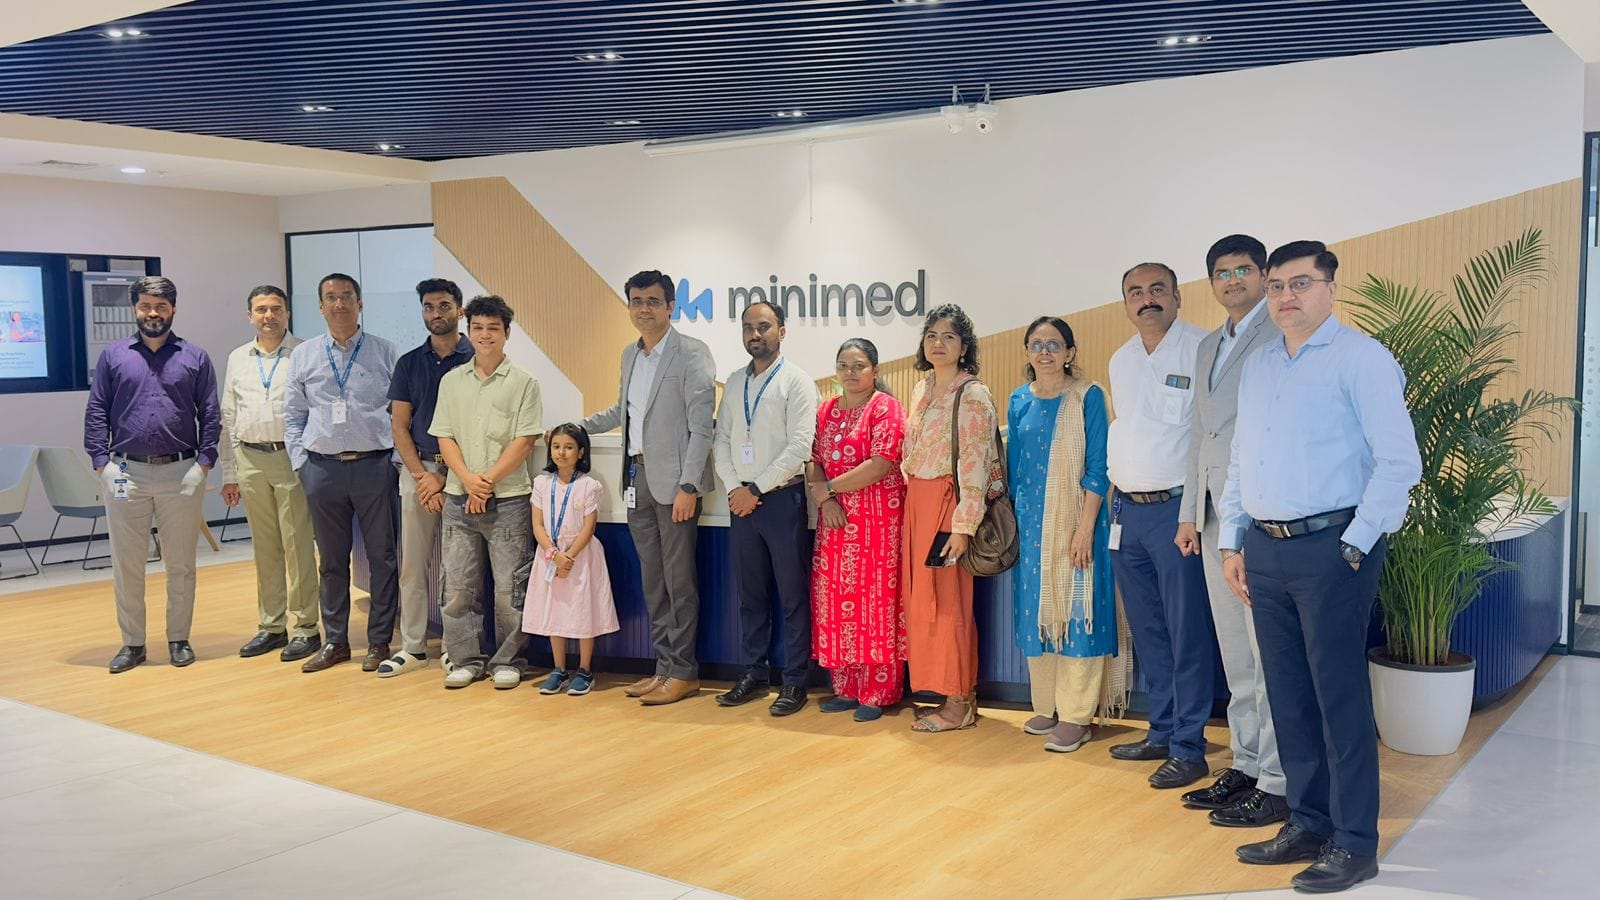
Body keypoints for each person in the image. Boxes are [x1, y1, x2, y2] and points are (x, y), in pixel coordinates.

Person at [1219, 241, 1420, 893]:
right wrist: (1233, 541)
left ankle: (1356, 842)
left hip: (1334, 547)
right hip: (1266, 548)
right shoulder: (1260, 365)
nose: (1287, 296)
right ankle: (1308, 823)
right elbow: (1243, 459)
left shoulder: (1362, 358)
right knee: (1289, 696)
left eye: (1301, 283)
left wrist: (1357, 542)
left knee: (1338, 699)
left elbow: (1399, 462)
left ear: (1331, 287)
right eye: (1277, 285)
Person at [1174, 235, 1289, 827]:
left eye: (1244, 269)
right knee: (1236, 652)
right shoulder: (1207, 346)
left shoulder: (1280, 334)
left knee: (1268, 655)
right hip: (1214, 515)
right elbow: (1201, 432)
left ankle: (1278, 778)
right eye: (1222, 272)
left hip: (1259, 513)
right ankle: (1246, 763)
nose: (1233, 280)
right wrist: (1189, 512)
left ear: (1263, 274)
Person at [577, 270, 716, 707]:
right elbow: (623, 411)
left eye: (653, 301)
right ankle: (664, 668)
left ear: (671, 306)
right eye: (636, 301)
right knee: (654, 581)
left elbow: (701, 427)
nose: (644, 309)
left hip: (676, 486)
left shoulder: (691, 353)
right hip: (635, 478)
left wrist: (689, 484)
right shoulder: (630, 355)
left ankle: (684, 672)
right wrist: (574, 429)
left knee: (679, 581)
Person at [1104, 262, 1216, 789]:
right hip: (1127, 511)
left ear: (1177, 296)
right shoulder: (1121, 359)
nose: (1146, 299)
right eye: (1135, 292)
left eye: (1156, 290)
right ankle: (1163, 731)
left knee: (1185, 630)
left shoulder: (1203, 348)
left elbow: (1207, 436)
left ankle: (1190, 747)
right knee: (1148, 629)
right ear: (1126, 303)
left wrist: (1192, 511)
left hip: (1178, 512)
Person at [84, 275, 220, 673]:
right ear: (135, 309)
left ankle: (179, 639)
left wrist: (204, 463)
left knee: (181, 564)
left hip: (182, 472)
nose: (153, 313)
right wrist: (101, 463)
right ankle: (133, 644)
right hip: (125, 473)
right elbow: (97, 410)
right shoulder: (114, 356)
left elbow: (211, 414)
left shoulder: (195, 357)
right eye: (145, 306)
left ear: (173, 309)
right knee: (128, 564)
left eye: (161, 306)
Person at [283, 272, 402, 674]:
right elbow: (293, 416)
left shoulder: (386, 352)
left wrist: (395, 463)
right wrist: (301, 465)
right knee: (331, 562)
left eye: (347, 296)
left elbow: (401, 413)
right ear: (320, 306)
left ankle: (379, 641)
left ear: (360, 303)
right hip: (322, 469)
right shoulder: (304, 355)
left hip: (375, 467)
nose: (339, 304)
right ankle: (335, 641)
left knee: (383, 558)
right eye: (331, 298)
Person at [1007, 316, 1115, 753]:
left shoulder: (1088, 397)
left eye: (1054, 344)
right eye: (1036, 344)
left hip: (1078, 521)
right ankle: (1047, 705)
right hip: (1032, 525)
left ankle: (1076, 715)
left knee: (1077, 610)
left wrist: (1084, 529)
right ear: (1028, 353)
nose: (1045, 352)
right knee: (1037, 610)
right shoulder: (1019, 400)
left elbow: (1100, 467)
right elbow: (1015, 468)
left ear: (1070, 352)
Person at [429, 294, 542, 689]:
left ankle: (510, 660)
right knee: (458, 588)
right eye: (477, 327)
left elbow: (525, 441)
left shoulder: (525, 383)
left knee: (510, 589)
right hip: (458, 499)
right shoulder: (451, 381)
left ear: (506, 333)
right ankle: (466, 660)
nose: (485, 335)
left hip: (508, 499)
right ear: (469, 331)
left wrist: (486, 481)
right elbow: (445, 437)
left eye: (493, 328)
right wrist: (468, 481)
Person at [713, 301, 819, 716]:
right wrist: (735, 488)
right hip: (741, 503)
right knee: (750, 595)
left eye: (764, 326)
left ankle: (795, 680)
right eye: (748, 328)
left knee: (792, 595)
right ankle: (754, 673)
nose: (755, 334)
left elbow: (800, 446)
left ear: (782, 331)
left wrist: (756, 488)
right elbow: (721, 439)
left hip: (781, 500)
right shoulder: (735, 381)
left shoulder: (797, 381)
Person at [899, 303, 998, 733]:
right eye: (932, 336)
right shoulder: (922, 389)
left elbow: (977, 461)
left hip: (947, 505)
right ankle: (945, 695)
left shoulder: (972, 394)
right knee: (925, 606)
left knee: (950, 604)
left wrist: (963, 526)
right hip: (917, 504)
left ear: (964, 347)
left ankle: (959, 703)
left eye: (949, 337)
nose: (938, 344)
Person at [219, 285, 320, 663]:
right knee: (264, 548)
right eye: (261, 309)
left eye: (276, 309)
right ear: (250, 316)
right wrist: (229, 473)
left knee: (298, 546)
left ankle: (306, 627)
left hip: (291, 458)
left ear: (287, 313)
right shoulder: (237, 358)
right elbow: (228, 416)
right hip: (249, 458)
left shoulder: (305, 353)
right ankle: (272, 625)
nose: (269, 316)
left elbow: (314, 410)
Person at [808, 339, 907, 723]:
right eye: (843, 365)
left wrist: (829, 489)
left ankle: (878, 692)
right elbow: (813, 459)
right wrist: (826, 501)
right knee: (836, 603)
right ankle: (846, 688)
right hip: (835, 524)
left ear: (875, 371)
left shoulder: (885, 407)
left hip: (877, 523)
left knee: (875, 605)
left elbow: (880, 464)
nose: (850, 372)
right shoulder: (826, 410)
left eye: (859, 365)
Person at [382, 278, 473, 678]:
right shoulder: (408, 363)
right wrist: (422, 476)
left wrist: (445, 476)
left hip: (462, 474)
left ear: (460, 310)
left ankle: (456, 648)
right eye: (429, 307)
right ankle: (414, 647)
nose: (436, 314)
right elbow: (399, 426)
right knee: (413, 565)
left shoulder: (476, 357)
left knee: (457, 567)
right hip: (417, 471)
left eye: (444, 306)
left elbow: (477, 427)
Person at [522, 424, 618, 696]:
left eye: (568, 447)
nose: (561, 452)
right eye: (556, 446)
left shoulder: (588, 485)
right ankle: (559, 668)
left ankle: (585, 670)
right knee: (555, 611)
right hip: (550, 555)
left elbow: (589, 526)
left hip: (581, 556)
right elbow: (537, 525)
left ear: (581, 452)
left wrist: (569, 556)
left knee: (583, 610)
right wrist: (554, 554)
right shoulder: (542, 484)